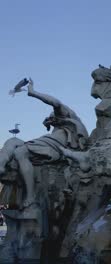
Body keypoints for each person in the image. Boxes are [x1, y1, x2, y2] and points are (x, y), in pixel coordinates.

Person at [0, 79, 88, 207]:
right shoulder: (58, 127)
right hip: (47, 142)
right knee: (12, 141)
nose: (50, 117)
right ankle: (1, 164)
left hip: (56, 147)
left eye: (52, 116)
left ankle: (30, 196)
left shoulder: (66, 116)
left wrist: (33, 92)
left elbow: (56, 103)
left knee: (20, 151)